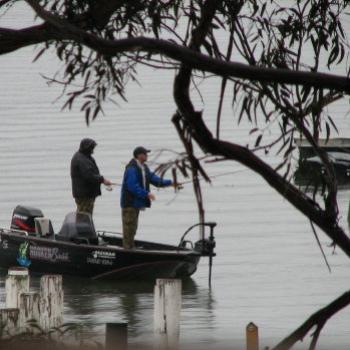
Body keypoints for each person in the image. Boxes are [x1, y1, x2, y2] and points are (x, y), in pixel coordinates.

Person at [120, 146, 177, 249]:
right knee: (129, 228)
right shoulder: (131, 168)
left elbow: (154, 179)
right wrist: (146, 194)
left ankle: (130, 248)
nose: (147, 155)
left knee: (133, 228)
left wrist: (171, 183)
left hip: (136, 204)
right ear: (139, 155)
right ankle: (127, 250)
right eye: (145, 153)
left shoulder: (144, 168)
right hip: (129, 203)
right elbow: (132, 186)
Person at [71, 138, 112, 215]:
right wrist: (102, 179)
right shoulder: (81, 159)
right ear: (87, 148)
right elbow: (89, 176)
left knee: (84, 216)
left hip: (86, 194)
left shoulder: (85, 157)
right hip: (84, 195)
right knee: (84, 217)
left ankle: (82, 226)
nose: (93, 150)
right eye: (92, 147)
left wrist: (101, 179)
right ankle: (82, 227)